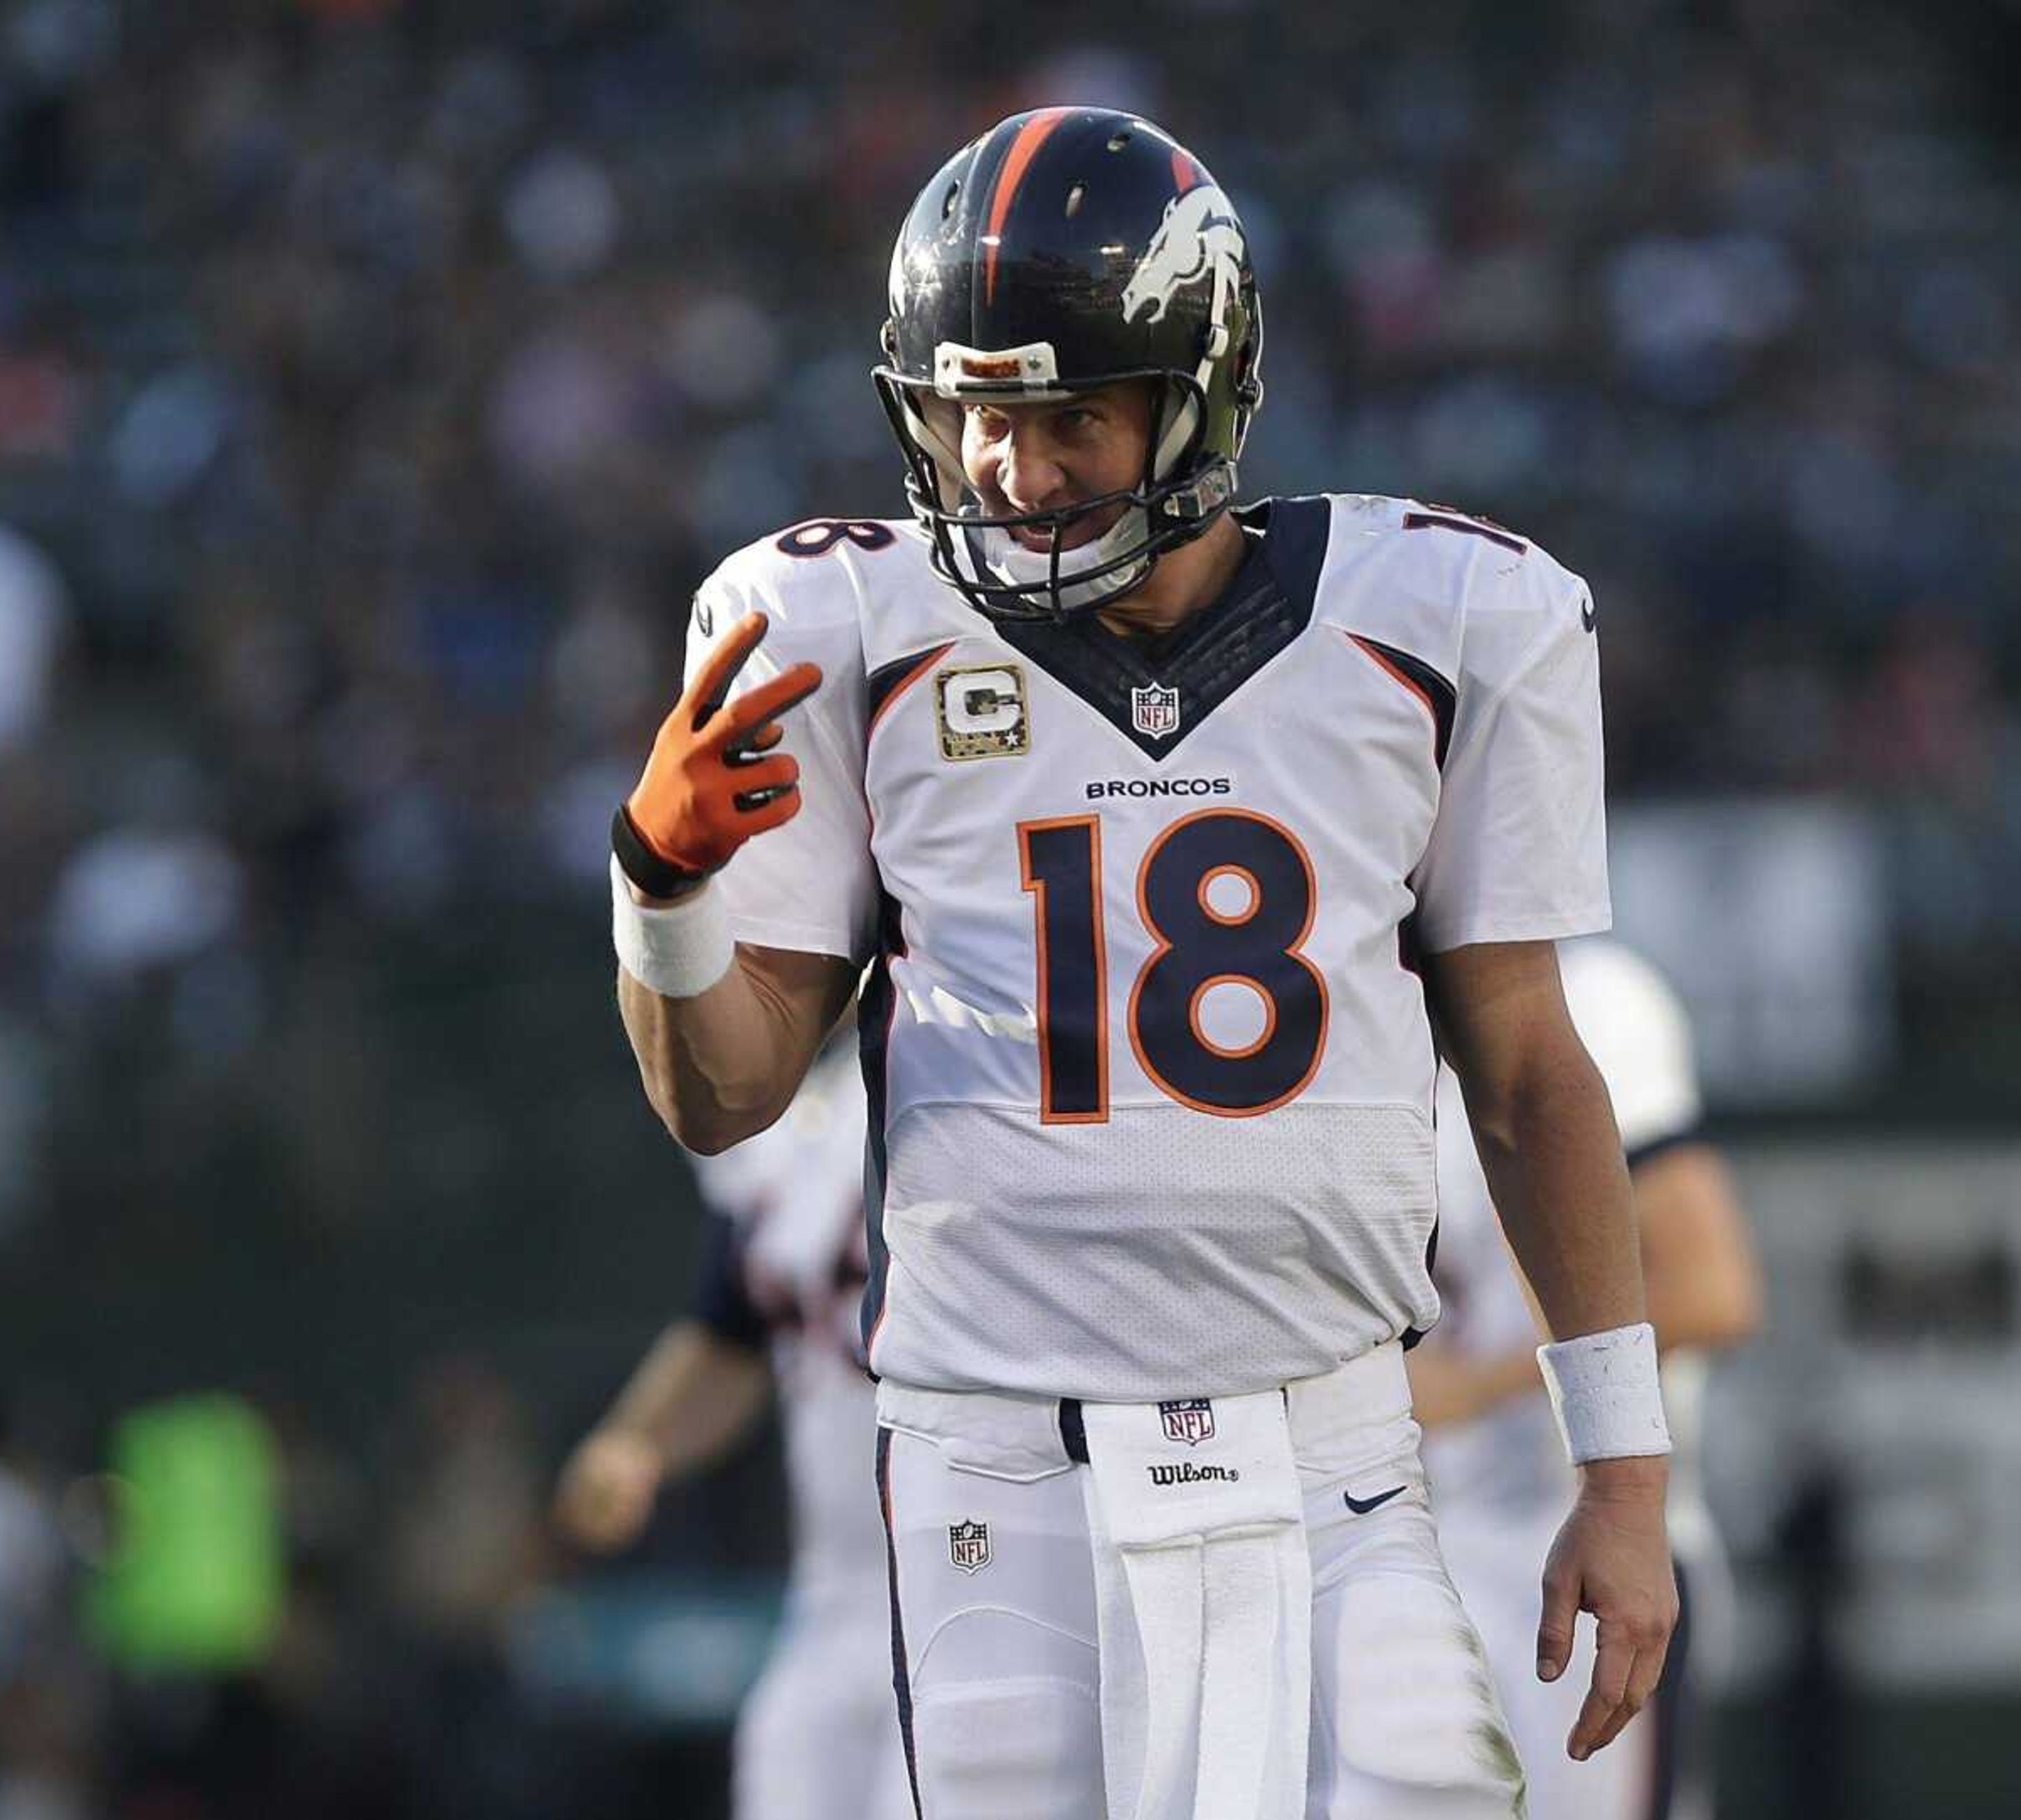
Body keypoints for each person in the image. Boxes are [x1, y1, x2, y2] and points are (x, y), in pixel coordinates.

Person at [607, 106, 1677, 1819]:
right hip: (990, 1453)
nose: (1013, 472)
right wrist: (656, 886)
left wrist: (1621, 1471)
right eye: (974, 416)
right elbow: (724, 1098)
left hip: (1334, 1441)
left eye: (1067, 418)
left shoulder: (1452, 619)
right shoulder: (833, 622)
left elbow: (1531, 1068)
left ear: (1201, 393)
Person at [1415, 940, 1763, 1820]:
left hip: (1573, 1536)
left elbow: (1709, 1286)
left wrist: (1472, 1385)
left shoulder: (1593, 996)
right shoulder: (1330, 998)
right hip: (1396, 1541)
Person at [556, 1038, 913, 1820]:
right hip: (836, 1599)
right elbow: (733, 1334)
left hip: (987, 1566)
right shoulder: (782, 1122)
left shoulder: (970, 1059)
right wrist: (638, 1441)